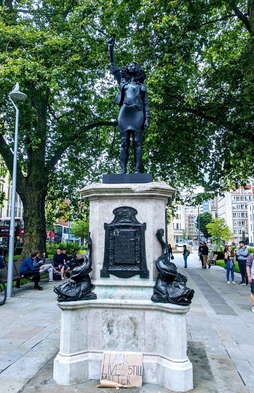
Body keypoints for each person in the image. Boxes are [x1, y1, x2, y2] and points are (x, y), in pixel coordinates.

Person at [108, 37, 151, 174]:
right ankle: (123, 170)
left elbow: (146, 103)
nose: (131, 65)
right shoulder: (123, 82)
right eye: (130, 65)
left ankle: (137, 170)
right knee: (124, 142)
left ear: (137, 69)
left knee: (137, 142)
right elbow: (114, 67)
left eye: (134, 64)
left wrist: (147, 119)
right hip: (125, 113)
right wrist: (110, 48)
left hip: (138, 113)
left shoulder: (142, 86)